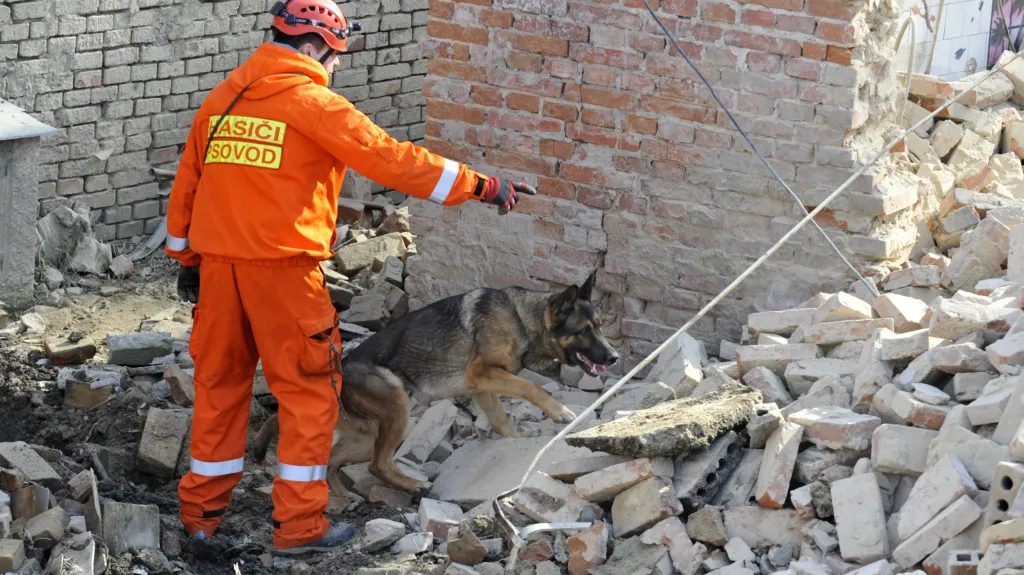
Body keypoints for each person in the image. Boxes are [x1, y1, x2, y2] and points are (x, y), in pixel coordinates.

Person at [163, 0, 537, 552]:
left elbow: (188, 185)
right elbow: (391, 158)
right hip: (285, 277)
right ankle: (298, 528)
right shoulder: (313, 102)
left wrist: (187, 261)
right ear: (315, 46)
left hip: (220, 273)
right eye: (336, 56)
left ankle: (198, 519)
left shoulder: (224, 99)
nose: (336, 66)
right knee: (310, 397)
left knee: (219, 391)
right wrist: (481, 185)